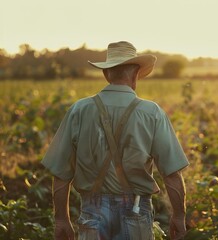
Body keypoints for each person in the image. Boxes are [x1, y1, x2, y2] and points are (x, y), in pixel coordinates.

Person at [41, 41, 189, 240]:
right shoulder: (152, 113)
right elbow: (171, 174)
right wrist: (178, 217)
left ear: (106, 74)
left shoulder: (79, 110)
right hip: (136, 211)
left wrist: (61, 219)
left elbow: (61, 173)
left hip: (92, 212)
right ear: (136, 74)